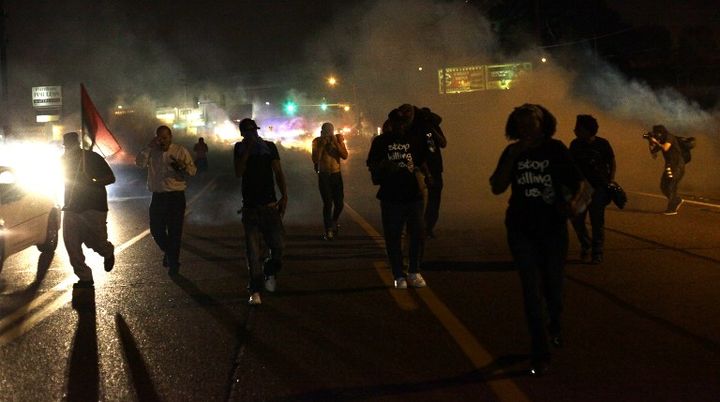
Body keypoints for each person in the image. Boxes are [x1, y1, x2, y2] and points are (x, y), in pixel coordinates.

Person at [489, 104, 585, 376]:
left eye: (532, 124)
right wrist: (513, 157)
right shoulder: (511, 152)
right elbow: (497, 187)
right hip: (521, 228)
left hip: (552, 227)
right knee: (531, 291)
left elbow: (579, 183)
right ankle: (539, 352)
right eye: (522, 125)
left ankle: (554, 322)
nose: (527, 129)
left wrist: (574, 204)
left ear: (543, 124)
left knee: (553, 288)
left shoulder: (556, 150)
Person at [367, 110, 429, 289]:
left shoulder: (413, 140)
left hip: (413, 195)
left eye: (404, 122)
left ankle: (414, 271)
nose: (401, 125)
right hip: (391, 196)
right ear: (391, 122)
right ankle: (398, 274)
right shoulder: (380, 142)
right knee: (393, 237)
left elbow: (421, 161)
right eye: (398, 122)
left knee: (417, 234)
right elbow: (372, 164)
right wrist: (385, 166)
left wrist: (426, 176)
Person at [234, 118, 288, 306]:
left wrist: (284, 196)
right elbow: (239, 172)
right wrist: (248, 150)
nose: (251, 134)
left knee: (279, 245)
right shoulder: (239, 149)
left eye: (253, 131)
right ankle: (255, 289)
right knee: (253, 251)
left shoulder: (269, 147)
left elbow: (278, 172)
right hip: (250, 207)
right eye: (247, 131)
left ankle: (270, 270)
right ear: (242, 133)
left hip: (270, 205)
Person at [135, 125, 197, 275]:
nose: (162, 141)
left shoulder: (179, 150)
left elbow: (192, 171)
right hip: (158, 196)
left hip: (175, 196)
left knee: (175, 231)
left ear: (170, 137)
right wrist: (148, 148)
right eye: (159, 137)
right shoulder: (152, 151)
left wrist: (183, 166)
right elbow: (139, 163)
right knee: (156, 229)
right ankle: (169, 253)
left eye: (165, 137)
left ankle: (174, 264)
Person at [61, 132, 116, 289]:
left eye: (69, 145)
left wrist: (92, 181)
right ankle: (85, 277)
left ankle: (107, 251)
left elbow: (111, 178)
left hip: (94, 207)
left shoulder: (91, 157)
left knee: (96, 241)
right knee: (71, 244)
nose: (67, 149)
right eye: (65, 146)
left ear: (76, 144)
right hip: (72, 207)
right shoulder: (63, 161)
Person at [569, 115, 616, 264]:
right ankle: (585, 243)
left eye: (579, 128)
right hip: (581, 189)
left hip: (599, 188)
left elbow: (612, 162)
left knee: (597, 221)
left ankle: (597, 251)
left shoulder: (603, 144)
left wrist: (611, 181)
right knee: (577, 220)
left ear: (588, 130)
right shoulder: (575, 145)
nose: (575, 130)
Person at [397, 104, 446, 238]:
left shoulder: (427, 127)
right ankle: (415, 228)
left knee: (433, 200)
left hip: (432, 167)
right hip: (416, 168)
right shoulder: (405, 129)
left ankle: (427, 227)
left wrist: (430, 131)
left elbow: (441, 144)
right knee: (415, 201)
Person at [311, 122, 348, 240]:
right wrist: (322, 146)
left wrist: (336, 143)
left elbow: (345, 155)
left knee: (339, 203)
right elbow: (315, 159)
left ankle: (334, 220)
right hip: (324, 175)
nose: (328, 133)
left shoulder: (338, 139)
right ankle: (328, 230)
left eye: (330, 130)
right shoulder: (316, 141)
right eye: (326, 130)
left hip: (336, 174)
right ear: (322, 131)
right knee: (327, 203)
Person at [646, 125, 685, 215]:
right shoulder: (662, 140)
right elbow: (653, 153)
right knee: (663, 185)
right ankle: (676, 200)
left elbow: (665, 148)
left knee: (670, 184)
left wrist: (656, 141)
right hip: (669, 165)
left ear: (661, 132)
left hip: (676, 165)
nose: (656, 135)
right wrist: (650, 142)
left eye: (656, 133)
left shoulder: (669, 137)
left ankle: (672, 208)